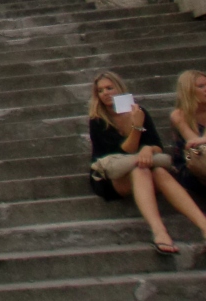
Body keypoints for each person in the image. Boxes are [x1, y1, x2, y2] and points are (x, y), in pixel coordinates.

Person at [87, 71, 206, 255]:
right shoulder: (97, 120)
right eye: (100, 90)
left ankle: (204, 226)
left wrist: (148, 149)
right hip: (111, 177)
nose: (105, 93)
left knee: (159, 172)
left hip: (145, 167)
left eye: (109, 88)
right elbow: (122, 152)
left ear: (119, 88)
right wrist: (135, 127)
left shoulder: (139, 111)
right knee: (139, 170)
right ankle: (159, 231)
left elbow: (156, 145)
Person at [168, 70, 206, 195]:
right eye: (201, 86)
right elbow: (196, 145)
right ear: (188, 91)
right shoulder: (179, 115)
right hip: (192, 167)